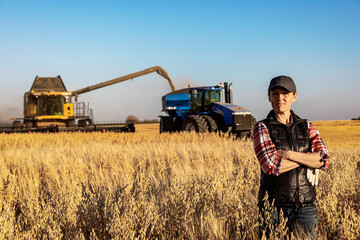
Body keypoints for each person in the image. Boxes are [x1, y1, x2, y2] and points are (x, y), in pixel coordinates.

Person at [253, 75, 330, 239]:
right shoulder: (262, 127)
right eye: (275, 94)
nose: (280, 98)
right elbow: (271, 166)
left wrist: (288, 155)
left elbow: (324, 159)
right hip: (273, 207)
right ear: (269, 97)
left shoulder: (307, 126)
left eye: (285, 93)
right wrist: (309, 160)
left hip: (306, 208)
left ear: (294, 96)